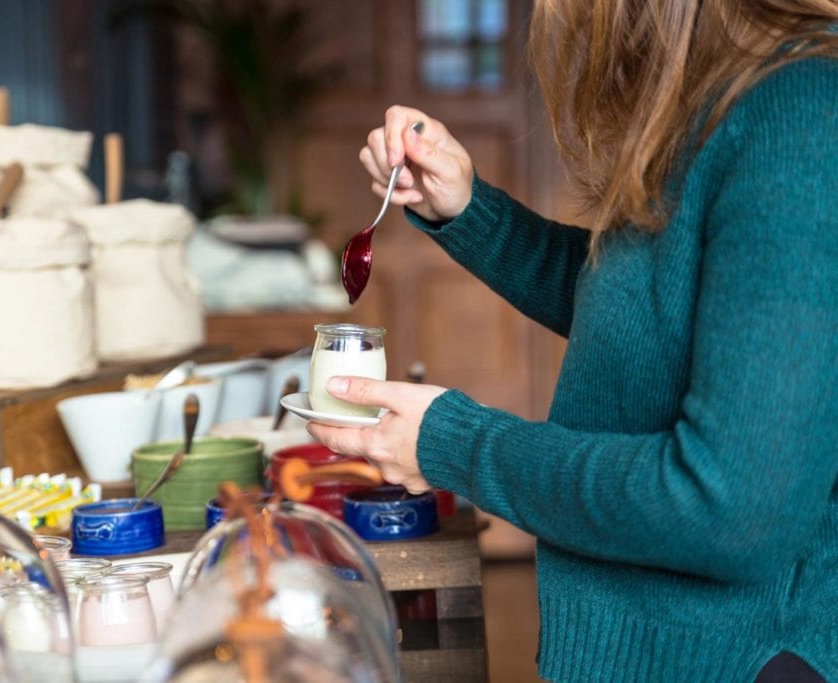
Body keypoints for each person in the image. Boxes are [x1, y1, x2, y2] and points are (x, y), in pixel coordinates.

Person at [307, 2, 838, 681]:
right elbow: (648, 317)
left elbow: (732, 508)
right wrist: (470, 211)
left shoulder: (800, 113)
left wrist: (457, 443)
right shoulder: (719, 94)